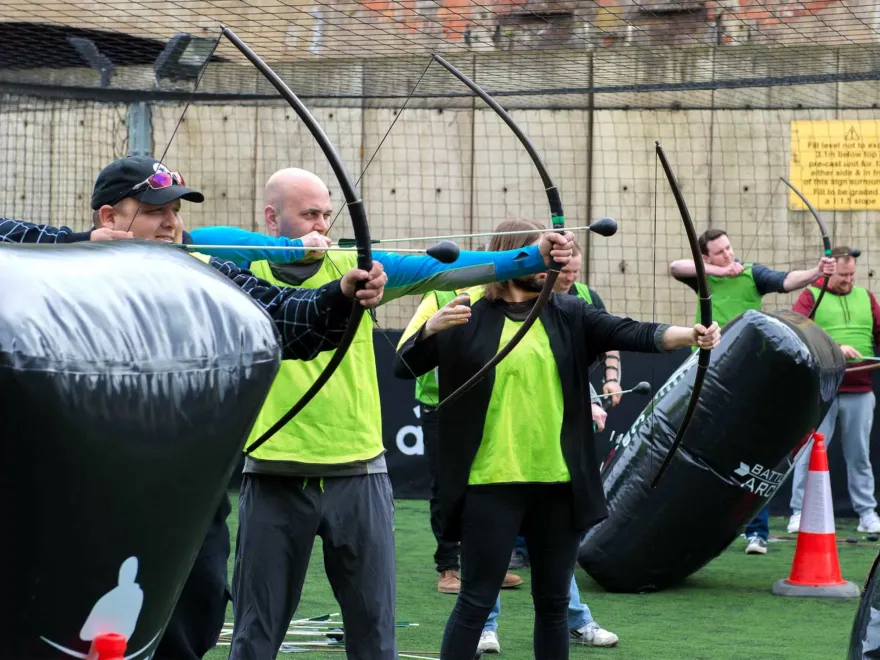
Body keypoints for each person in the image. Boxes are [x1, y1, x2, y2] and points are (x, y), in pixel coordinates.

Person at [0, 155, 387, 660]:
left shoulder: (202, 273)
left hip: (182, 506)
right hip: (81, 502)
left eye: (176, 211)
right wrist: (77, 243)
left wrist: (339, 295)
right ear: (109, 218)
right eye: (154, 211)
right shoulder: (57, 273)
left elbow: (283, 315)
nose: (172, 223)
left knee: (193, 614)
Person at [186, 168, 575, 660]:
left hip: (359, 472)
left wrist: (530, 257)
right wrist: (288, 250)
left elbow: (441, 270)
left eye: (327, 214)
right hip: (272, 473)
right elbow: (191, 240)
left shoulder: (360, 267)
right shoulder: (237, 272)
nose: (322, 225)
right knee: (255, 633)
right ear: (271, 217)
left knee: (373, 632)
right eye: (309, 214)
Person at [395, 223, 720, 660]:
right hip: (489, 482)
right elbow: (404, 366)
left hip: (558, 485)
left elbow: (631, 331)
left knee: (552, 605)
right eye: (538, 254)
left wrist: (690, 335)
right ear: (511, 258)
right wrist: (430, 330)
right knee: (475, 601)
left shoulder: (568, 311)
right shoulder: (467, 312)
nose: (550, 262)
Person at [464, 239, 619, 654]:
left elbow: (611, 336)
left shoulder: (574, 304)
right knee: (479, 589)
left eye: (571, 268)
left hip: (552, 473)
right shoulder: (477, 310)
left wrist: (607, 383)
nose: (565, 275)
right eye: (557, 266)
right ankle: (485, 627)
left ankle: (578, 619)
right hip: (494, 471)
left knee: (552, 591)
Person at [669, 227, 835, 555]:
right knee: (696, 445)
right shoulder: (705, 277)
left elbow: (785, 280)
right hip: (706, 372)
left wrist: (817, 271)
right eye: (719, 252)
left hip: (745, 373)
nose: (728, 254)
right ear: (706, 257)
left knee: (751, 449)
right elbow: (676, 267)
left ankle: (756, 533)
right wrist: (717, 271)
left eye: (729, 248)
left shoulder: (752, 274)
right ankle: (690, 524)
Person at [787, 246, 880, 535]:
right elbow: (797, 331)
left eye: (852, 275)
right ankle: (799, 512)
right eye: (842, 275)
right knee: (809, 453)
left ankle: (867, 513)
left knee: (859, 454)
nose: (848, 280)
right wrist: (836, 348)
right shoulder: (811, 295)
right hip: (822, 390)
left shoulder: (866, 297)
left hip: (860, 388)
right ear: (829, 272)